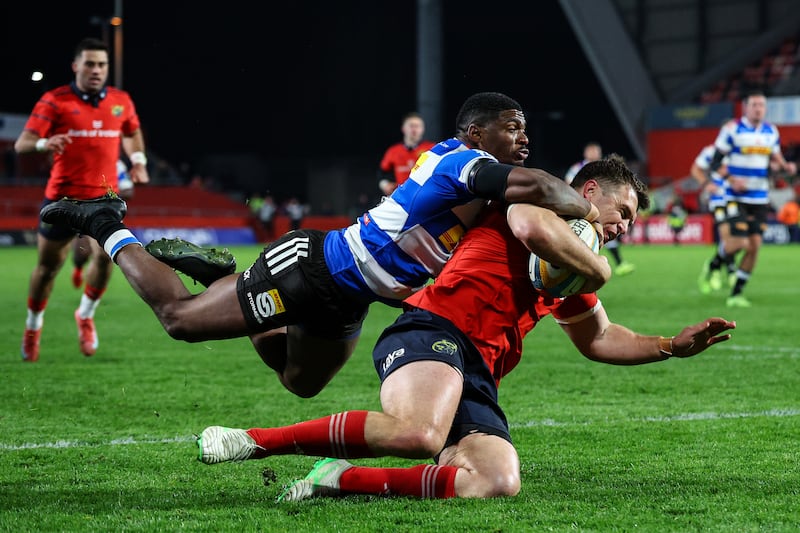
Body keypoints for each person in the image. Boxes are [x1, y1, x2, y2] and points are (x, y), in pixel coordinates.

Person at [194, 156, 736, 502]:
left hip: (477, 373)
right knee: (419, 434)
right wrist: (600, 266)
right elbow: (530, 227)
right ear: (589, 190)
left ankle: (336, 478)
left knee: (497, 481)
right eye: (622, 211)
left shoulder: (568, 276)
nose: (623, 227)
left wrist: (670, 346)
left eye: (631, 223)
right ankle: (252, 442)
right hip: (431, 330)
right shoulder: (532, 207)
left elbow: (598, 337)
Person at [42, 91, 607, 398]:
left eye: (526, 128)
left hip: (349, 297)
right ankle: (106, 221)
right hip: (314, 267)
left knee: (300, 382)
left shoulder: (486, 187)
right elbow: (542, 188)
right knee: (179, 320)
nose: (525, 137)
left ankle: (223, 279)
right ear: (476, 133)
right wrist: (590, 212)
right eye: (513, 127)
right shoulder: (460, 161)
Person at [15, 37, 150, 362]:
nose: (96, 70)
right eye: (89, 63)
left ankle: (85, 316)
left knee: (106, 260)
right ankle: (33, 327)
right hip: (62, 200)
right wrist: (44, 144)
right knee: (48, 268)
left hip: (104, 199)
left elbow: (131, 132)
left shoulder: (120, 100)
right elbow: (22, 143)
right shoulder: (55, 100)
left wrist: (139, 162)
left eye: (101, 64)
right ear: (76, 66)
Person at [700, 90, 797, 307]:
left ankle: (735, 295)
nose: (758, 108)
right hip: (734, 196)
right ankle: (714, 265)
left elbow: (775, 161)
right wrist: (732, 180)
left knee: (754, 247)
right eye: (754, 105)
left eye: (761, 105)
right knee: (738, 243)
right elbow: (715, 162)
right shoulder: (732, 130)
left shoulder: (771, 132)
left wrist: (785, 167)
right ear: (746, 107)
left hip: (760, 198)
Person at [566, 143, 634, 276]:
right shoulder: (577, 168)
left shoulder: (602, 169)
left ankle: (617, 264)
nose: (595, 154)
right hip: (582, 209)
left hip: (599, 209)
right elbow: (570, 185)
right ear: (586, 153)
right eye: (592, 151)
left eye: (597, 151)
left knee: (604, 234)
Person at [71, 159, 134, 288]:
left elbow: (128, 191)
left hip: (105, 216)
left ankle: (89, 300)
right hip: (83, 213)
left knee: (102, 256)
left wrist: (105, 195)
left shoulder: (117, 165)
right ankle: (78, 269)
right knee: (80, 254)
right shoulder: (81, 160)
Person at [691, 144, 736, 293]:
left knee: (735, 239)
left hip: (735, 198)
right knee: (726, 236)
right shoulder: (710, 151)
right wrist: (706, 184)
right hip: (718, 199)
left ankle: (713, 266)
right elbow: (695, 169)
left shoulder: (739, 150)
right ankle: (730, 271)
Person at [377, 112, 436, 196]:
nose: (414, 130)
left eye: (418, 126)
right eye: (411, 126)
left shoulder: (432, 149)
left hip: (425, 195)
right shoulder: (394, 151)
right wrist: (384, 184)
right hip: (400, 196)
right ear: (403, 129)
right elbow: (382, 172)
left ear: (423, 129)